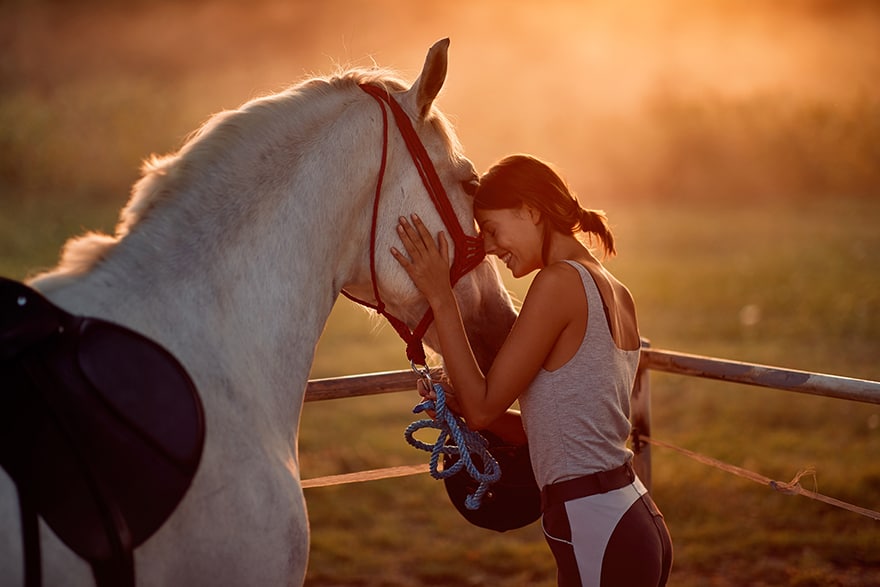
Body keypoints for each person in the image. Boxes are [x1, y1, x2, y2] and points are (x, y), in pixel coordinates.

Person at [390, 154, 672, 586]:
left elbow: (484, 407)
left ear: (530, 211)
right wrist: (459, 410)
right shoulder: (615, 290)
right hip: (626, 514)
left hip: (596, 527)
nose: (488, 247)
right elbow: (563, 427)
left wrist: (440, 296)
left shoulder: (558, 283)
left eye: (491, 229)